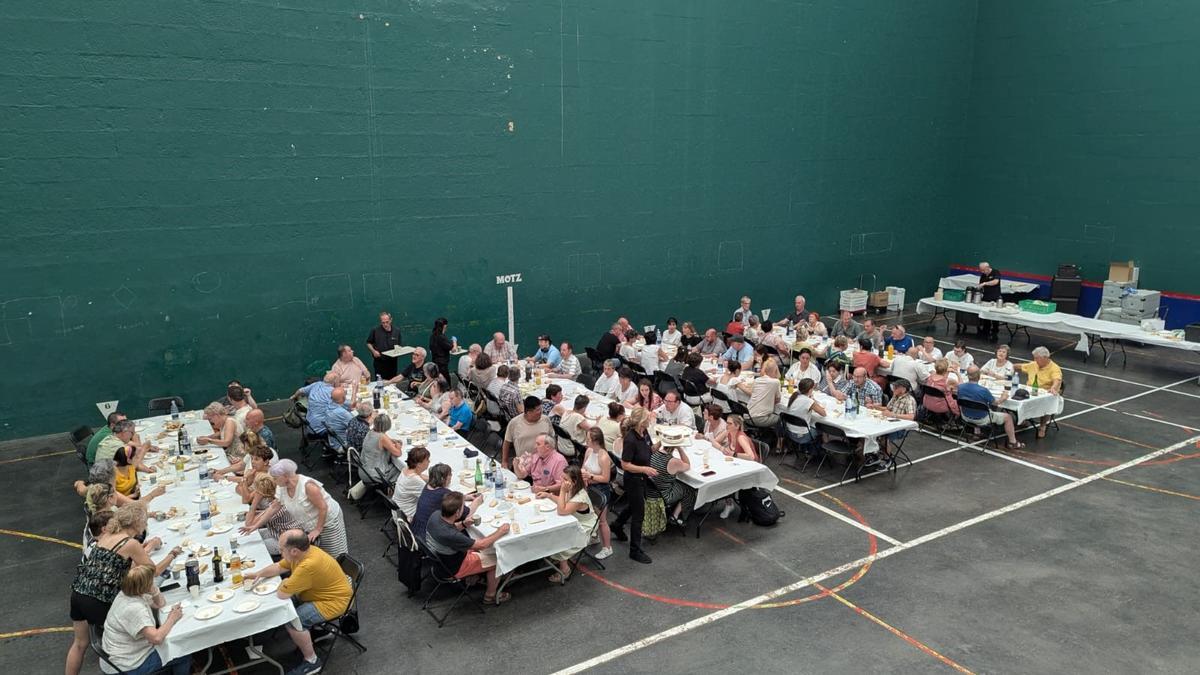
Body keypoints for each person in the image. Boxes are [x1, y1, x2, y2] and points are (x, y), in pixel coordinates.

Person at [65, 504, 183, 675]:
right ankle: (142, 663)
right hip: (100, 598)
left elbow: (120, 562)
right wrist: (172, 555)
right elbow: (153, 570)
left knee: (79, 644)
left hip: (79, 592)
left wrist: (148, 548)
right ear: (137, 523)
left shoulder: (107, 535)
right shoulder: (130, 543)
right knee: (142, 621)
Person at [243, 530, 352, 675]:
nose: (280, 552)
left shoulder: (307, 566)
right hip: (322, 595)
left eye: (281, 549)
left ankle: (312, 661)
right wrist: (259, 574)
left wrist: (287, 581)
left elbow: (282, 594)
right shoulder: (306, 551)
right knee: (289, 606)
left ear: (294, 550)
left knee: (293, 618)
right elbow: (279, 566)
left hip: (334, 602)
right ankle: (319, 631)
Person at [100, 565, 190, 675]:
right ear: (143, 586)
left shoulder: (127, 593)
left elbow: (160, 604)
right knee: (182, 651)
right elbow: (156, 638)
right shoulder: (134, 608)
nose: (154, 581)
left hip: (119, 656)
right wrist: (172, 618)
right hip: (128, 665)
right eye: (151, 580)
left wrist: (154, 589)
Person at [247, 460, 348, 557]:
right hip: (310, 523)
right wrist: (255, 526)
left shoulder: (308, 486)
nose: (273, 481)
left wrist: (318, 529)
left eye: (275, 478)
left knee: (335, 554)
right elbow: (273, 508)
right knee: (321, 554)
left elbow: (323, 508)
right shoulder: (281, 487)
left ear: (285, 476)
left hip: (328, 521)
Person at [424, 492, 511, 604]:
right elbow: (482, 544)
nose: (464, 508)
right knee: (499, 559)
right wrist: (500, 532)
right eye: (463, 507)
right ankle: (490, 596)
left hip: (441, 563)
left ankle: (474, 577)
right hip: (453, 568)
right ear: (457, 513)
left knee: (483, 547)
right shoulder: (451, 535)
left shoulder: (435, 515)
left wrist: (464, 524)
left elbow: (452, 526)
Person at [611, 407, 656, 564]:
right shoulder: (630, 439)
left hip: (642, 477)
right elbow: (625, 464)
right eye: (648, 418)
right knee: (639, 515)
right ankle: (634, 550)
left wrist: (668, 442)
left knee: (634, 505)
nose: (651, 419)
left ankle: (617, 524)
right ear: (642, 421)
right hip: (634, 479)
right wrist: (644, 469)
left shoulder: (644, 433)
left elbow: (649, 450)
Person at [541, 465, 598, 583]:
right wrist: (549, 495)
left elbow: (562, 510)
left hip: (585, 527)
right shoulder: (572, 489)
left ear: (574, 481)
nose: (562, 481)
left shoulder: (580, 497)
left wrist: (562, 490)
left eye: (565, 479)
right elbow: (564, 503)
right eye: (562, 478)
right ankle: (555, 557)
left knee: (559, 539)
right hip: (574, 520)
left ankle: (565, 569)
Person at [956, 367, 1026, 449]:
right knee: (1008, 417)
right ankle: (1013, 442)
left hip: (965, 416)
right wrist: (1003, 397)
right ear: (979, 376)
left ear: (968, 375)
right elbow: (995, 403)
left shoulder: (960, 387)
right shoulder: (983, 390)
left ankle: (977, 432)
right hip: (981, 419)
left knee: (975, 405)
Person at [411, 464, 478, 540]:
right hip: (428, 536)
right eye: (450, 475)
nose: (451, 477)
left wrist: (464, 497)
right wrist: (477, 501)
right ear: (443, 478)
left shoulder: (427, 486)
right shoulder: (443, 493)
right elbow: (466, 513)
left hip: (417, 531)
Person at [866, 379, 918, 468]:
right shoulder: (895, 396)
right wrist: (874, 407)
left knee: (884, 437)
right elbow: (888, 408)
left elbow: (911, 417)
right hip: (888, 422)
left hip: (900, 427)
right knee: (871, 430)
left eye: (896, 387)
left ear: (903, 389)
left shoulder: (910, 400)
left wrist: (893, 415)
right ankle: (874, 454)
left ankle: (887, 458)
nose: (893, 389)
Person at [579, 427, 614, 560]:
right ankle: (595, 537)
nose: (586, 441)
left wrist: (590, 476)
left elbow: (606, 478)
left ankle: (607, 547)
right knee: (590, 515)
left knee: (602, 521)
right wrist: (584, 474)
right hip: (590, 487)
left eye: (588, 439)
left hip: (601, 490)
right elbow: (584, 466)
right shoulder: (589, 450)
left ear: (595, 441)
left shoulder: (604, 456)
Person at [650, 432, 697, 527]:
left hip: (650, 489)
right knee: (690, 489)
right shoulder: (673, 461)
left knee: (678, 482)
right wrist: (680, 449)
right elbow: (687, 465)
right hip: (664, 495)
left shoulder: (653, 452)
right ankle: (675, 516)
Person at [1019, 346, 1063, 438]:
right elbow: (1019, 366)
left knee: (1047, 402)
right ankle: (1022, 419)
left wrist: (1053, 388)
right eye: (1034, 358)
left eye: (1036, 358)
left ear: (1045, 358)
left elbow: (1057, 380)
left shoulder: (1054, 368)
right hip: (1029, 391)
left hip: (1045, 392)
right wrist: (1006, 367)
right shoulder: (1033, 364)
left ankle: (1042, 427)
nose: (1034, 360)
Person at [501, 397, 553, 467]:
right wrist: (504, 461)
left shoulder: (546, 420)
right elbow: (507, 442)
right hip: (524, 464)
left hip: (543, 463)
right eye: (538, 410)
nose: (541, 412)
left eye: (541, 409)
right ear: (528, 412)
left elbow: (552, 439)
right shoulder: (514, 423)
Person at [197, 401, 245, 465]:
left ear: (217, 415)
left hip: (238, 457)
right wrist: (208, 437)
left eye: (210, 419)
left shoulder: (229, 422)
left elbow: (226, 442)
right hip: (231, 453)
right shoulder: (223, 421)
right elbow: (221, 433)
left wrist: (209, 440)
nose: (210, 422)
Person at [738, 358, 782, 429]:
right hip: (759, 419)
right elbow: (778, 400)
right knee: (782, 418)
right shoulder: (776, 382)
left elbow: (753, 392)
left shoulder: (757, 380)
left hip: (748, 415)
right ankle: (779, 440)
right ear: (775, 370)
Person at [362, 413, 403, 483]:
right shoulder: (382, 437)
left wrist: (391, 441)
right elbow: (398, 453)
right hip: (376, 473)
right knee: (403, 469)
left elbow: (385, 440)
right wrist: (398, 446)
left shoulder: (371, 431)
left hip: (364, 470)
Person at [785, 378, 826, 446]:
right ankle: (818, 451)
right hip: (802, 436)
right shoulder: (808, 401)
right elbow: (823, 413)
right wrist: (813, 400)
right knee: (823, 430)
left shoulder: (794, 396)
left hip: (789, 432)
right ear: (810, 390)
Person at [394, 447, 430, 520]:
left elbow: (420, 475)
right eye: (427, 460)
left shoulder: (406, 469)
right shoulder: (415, 480)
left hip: (398, 510)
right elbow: (429, 500)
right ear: (419, 464)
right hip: (407, 516)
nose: (429, 461)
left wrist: (432, 479)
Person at [366, 311, 404, 380]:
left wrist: (398, 350)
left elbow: (399, 345)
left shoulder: (397, 331)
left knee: (392, 382)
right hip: (380, 362)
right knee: (380, 382)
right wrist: (374, 351)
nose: (385, 324)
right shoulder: (375, 330)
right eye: (383, 322)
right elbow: (368, 343)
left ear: (391, 320)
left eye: (387, 322)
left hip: (392, 362)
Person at [977, 261, 1003, 341]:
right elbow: (980, 285)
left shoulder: (996, 272)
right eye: (981, 270)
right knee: (985, 314)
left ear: (988, 268)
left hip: (995, 297)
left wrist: (985, 283)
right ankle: (986, 330)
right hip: (986, 297)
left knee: (995, 315)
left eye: (983, 270)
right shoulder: (983, 275)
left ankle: (995, 331)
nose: (982, 272)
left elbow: (995, 282)